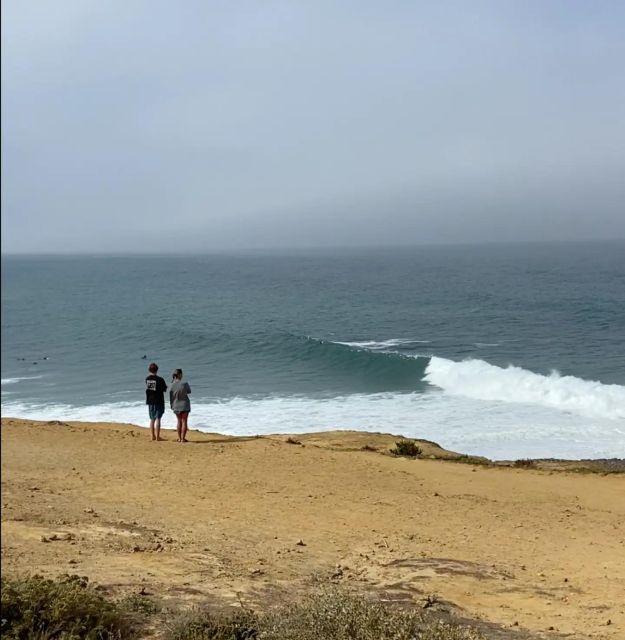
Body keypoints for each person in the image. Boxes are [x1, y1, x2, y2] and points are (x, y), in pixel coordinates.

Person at [145, 362, 167, 441]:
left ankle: (152, 436)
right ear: (157, 370)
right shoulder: (160, 379)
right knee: (158, 418)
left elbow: (151, 389)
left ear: (149, 370)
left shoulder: (147, 379)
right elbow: (164, 389)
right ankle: (157, 437)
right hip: (159, 400)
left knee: (152, 419)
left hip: (151, 401)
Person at [170, 368, 191, 443]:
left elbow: (171, 396)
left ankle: (179, 438)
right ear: (180, 375)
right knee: (184, 421)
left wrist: (172, 405)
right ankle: (183, 438)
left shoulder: (172, 384)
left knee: (179, 421)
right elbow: (189, 391)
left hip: (176, 404)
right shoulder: (184, 383)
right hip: (184, 404)